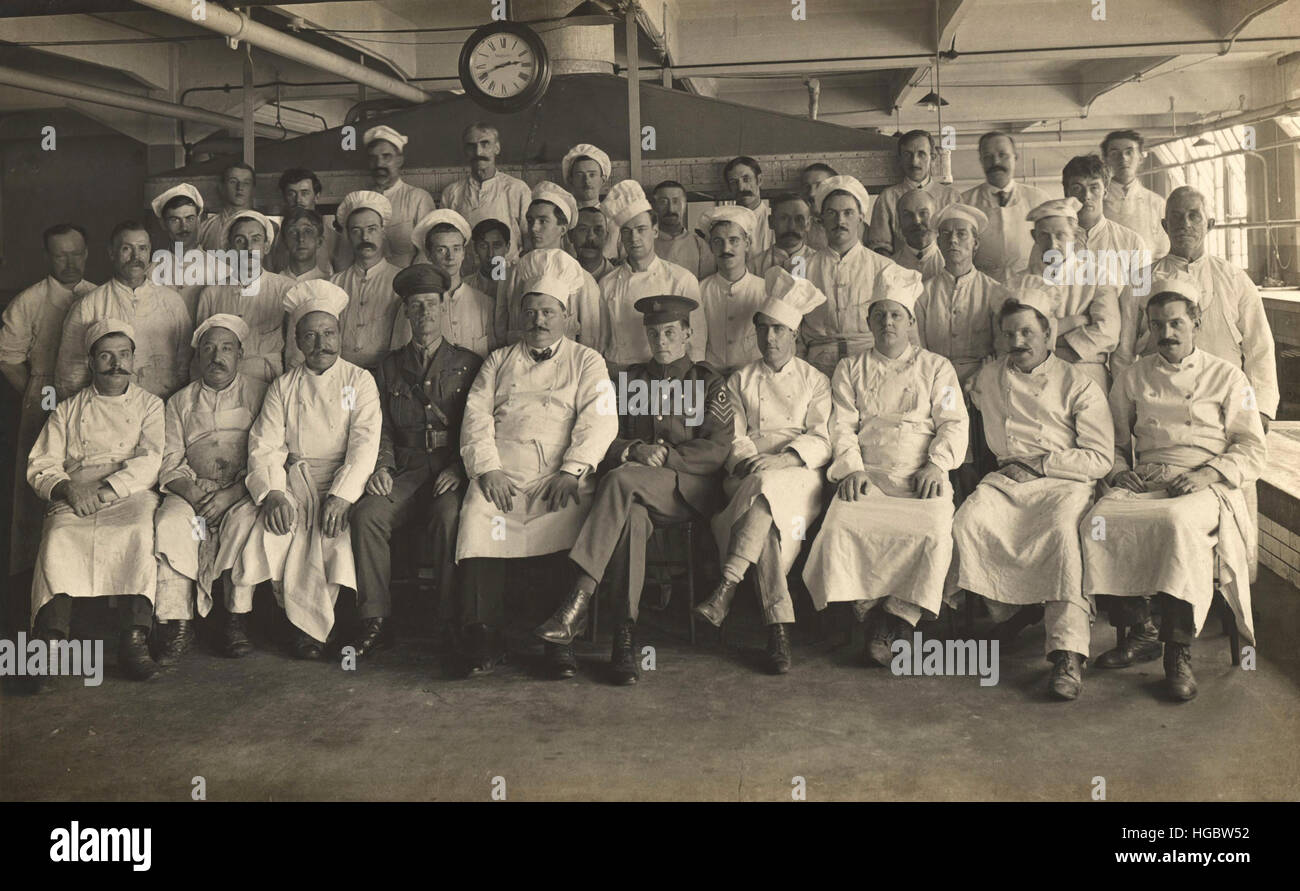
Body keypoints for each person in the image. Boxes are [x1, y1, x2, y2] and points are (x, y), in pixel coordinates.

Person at [1081, 277, 1265, 701]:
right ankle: (1142, 628)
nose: (1167, 334)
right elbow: (1112, 441)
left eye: (1177, 323)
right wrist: (1122, 469)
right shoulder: (1132, 377)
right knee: (1098, 521)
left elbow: (1253, 448)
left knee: (1175, 522)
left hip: (1205, 481)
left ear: (1196, 322)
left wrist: (1209, 474)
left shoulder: (1228, 376)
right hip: (1148, 476)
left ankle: (1177, 651)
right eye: (1158, 325)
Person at [536, 295, 733, 686]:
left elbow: (717, 449)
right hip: (635, 494)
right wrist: (633, 449)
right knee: (631, 519)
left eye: (671, 333)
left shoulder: (707, 382)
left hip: (687, 492)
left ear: (688, 334)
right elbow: (604, 437)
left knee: (620, 480)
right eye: (655, 333)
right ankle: (624, 642)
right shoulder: (630, 382)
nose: (661, 341)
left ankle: (578, 598)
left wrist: (666, 457)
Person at [455, 253, 618, 677]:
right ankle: (482, 634)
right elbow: (475, 417)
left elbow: (600, 420)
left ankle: (559, 643)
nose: (539, 321)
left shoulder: (588, 361)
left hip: (558, 473)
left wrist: (573, 470)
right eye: (530, 313)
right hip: (503, 473)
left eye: (548, 312)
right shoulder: (498, 360)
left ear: (566, 315)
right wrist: (487, 469)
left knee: (570, 515)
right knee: (477, 514)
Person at [953, 291, 1113, 701]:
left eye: (1027, 331)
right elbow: (959, 406)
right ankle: (1016, 607)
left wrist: (1042, 464)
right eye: (1009, 334)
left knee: (1062, 536)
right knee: (968, 522)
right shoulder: (988, 378)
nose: (1017, 342)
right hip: (1007, 481)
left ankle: (1067, 651)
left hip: (1064, 482)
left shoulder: (1079, 383)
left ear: (1048, 333)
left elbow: (1099, 458)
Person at [803, 266, 967, 665]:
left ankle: (897, 616)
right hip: (869, 475)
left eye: (896, 314)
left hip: (920, 477)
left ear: (911, 321)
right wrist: (853, 469)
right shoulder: (850, 368)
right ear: (868, 322)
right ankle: (870, 608)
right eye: (879, 314)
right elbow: (841, 426)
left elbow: (953, 423)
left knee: (933, 533)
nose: (887, 322)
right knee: (840, 527)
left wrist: (937, 465)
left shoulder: (936, 367)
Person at [231, 280, 382, 659]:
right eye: (310, 336)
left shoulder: (358, 381)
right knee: (276, 530)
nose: (321, 344)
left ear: (340, 333)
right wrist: (274, 493)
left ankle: (321, 628)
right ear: (298, 341)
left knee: (334, 537)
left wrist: (342, 496)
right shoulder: (284, 386)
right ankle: (293, 625)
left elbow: (364, 444)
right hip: (294, 479)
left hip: (341, 478)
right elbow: (265, 444)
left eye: (328, 334)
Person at [695, 270, 832, 673]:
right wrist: (753, 459)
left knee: (767, 489)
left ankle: (727, 586)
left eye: (778, 331)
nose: (769, 339)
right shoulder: (739, 380)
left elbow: (824, 438)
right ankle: (778, 627)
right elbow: (731, 435)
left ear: (794, 334)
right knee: (766, 504)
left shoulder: (816, 381)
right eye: (763, 330)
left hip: (800, 474)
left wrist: (786, 458)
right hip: (748, 468)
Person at [349, 265, 483, 657]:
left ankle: (448, 620)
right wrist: (383, 467)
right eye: (415, 306)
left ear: (443, 308)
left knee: (449, 518)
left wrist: (460, 468)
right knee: (367, 515)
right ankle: (376, 619)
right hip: (405, 469)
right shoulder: (387, 368)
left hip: (449, 468)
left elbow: (477, 427)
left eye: (430, 304)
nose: (424, 313)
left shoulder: (469, 364)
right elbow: (380, 427)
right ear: (406, 313)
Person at [27, 320, 165, 682]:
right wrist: (68, 489)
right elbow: (41, 462)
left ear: (134, 359)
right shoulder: (68, 409)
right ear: (91, 362)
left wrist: (107, 491)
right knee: (58, 537)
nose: (115, 363)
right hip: (76, 490)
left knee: (139, 532)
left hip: (128, 492)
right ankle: (51, 642)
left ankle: (134, 641)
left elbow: (150, 461)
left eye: (123, 355)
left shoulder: (150, 406)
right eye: (106, 355)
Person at [153, 315, 268, 662]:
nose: (217, 357)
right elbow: (169, 459)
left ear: (240, 354)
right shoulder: (180, 402)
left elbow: (269, 451)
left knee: (245, 523)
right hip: (192, 494)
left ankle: (235, 619)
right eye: (208, 348)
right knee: (172, 524)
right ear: (198, 356)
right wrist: (194, 494)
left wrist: (230, 495)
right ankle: (177, 620)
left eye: (226, 348)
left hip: (241, 489)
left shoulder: (260, 392)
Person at [1119, 187, 1278, 428]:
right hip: (1160, 405)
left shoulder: (1234, 278)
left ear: (1210, 224)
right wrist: (1126, 407)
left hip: (1224, 399)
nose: (1185, 224)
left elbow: (1259, 346)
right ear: (1165, 225)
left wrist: (1261, 407)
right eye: (1176, 216)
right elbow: (1123, 352)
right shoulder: (1140, 281)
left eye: (1194, 215)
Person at [0, 223, 97, 579]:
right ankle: (32, 571)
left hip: (92, 396)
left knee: (85, 477)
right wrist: (40, 394)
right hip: (46, 394)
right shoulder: (29, 300)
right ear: (48, 257)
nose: (70, 262)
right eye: (61, 255)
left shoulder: (98, 295)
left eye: (76, 253)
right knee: (41, 480)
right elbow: (7, 357)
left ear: (87, 253)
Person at [914, 203, 1010, 498]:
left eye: (961, 234)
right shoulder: (922, 292)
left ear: (975, 243)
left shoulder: (995, 292)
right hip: (935, 387)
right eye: (946, 235)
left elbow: (1003, 352)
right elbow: (917, 350)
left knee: (980, 465)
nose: (953, 240)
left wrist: (980, 378)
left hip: (982, 387)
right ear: (938, 242)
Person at [55, 220, 193, 401]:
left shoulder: (172, 302)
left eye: (142, 248)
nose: (136, 256)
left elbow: (186, 366)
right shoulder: (89, 305)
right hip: (107, 413)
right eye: (127, 249)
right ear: (112, 253)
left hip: (163, 409)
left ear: (150, 252)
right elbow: (69, 376)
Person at [1008, 197, 1122, 393]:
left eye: (1060, 235)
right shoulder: (1018, 284)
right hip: (1032, 378)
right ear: (1034, 236)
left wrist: (1043, 344)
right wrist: (1075, 321)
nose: (1052, 243)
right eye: (1044, 235)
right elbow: (1009, 337)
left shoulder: (1098, 276)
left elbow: (1107, 332)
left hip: (1086, 374)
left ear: (1075, 236)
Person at [598, 180, 705, 368]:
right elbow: (601, 338)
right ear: (621, 237)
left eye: (641, 230)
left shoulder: (681, 279)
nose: (634, 238)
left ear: (655, 231)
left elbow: (696, 341)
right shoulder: (608, 283)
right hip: (620, 373)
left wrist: (691, 379)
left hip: (666, 375)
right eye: (627, 232)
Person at [802, 175, 899, 376]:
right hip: (817, 367)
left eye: (848, 213)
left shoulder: (884, 267)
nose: (840, 221)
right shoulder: (802, 268)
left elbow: (900, 330)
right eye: (832, 213)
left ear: (861, 217)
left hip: (870, 364)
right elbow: (792, 331)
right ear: (821, 219)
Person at [495, 183, 601, 347]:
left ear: (563, 229)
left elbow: (591, 339)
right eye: (530, 221)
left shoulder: (581, 280)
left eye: (543, 221)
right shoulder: (511, 274)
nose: (534, 228)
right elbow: (501, 330)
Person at [193, 209, 294, 383]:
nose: (249, 248)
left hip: (269, 380)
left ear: (266, 246)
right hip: (222, 382)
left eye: (256, 239)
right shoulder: (211, 293)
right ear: (229, 248)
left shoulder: (286, 289)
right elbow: (199, 353)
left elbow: (294, 352)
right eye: (240, 240)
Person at [320, 190, 405, 370]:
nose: (365, 238)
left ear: (383, 232)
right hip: (343, 374)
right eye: (356, 231)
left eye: (372, 229)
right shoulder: (334, 284)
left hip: (387, 374)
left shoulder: (401, 281)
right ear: (348, 236)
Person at [962, 131, 1052, 281]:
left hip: (1029, 287)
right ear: (981, 161)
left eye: (1003, 155)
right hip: (982, 289)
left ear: (1016, 157)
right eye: (988, 157)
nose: (996, 162)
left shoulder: (1039, 199)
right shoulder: (965, 202)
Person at [411, 209, 496, 358]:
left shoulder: (486, 303)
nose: (450, 257)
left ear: (464, 253)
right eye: (441, 250)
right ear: (429, 255)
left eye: (456, 249)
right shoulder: (417, 305)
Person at [441, 123, 531, 259]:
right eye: (471, 146)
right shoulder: (451, 193)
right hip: (466, 271)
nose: (478, 152)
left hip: (504, 270)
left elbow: (528, 238)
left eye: (485, 144)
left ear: (497, 148)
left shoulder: (517, 189)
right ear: (465, 151)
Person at [868, 130, 960, 258]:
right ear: (900, 159)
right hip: (900, 272)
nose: (914, 162)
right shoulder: (887, 198)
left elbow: (960, 243)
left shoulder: (951, 198)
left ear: (932, 158)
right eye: (907, 154)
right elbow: (880, 248)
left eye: (921, 154)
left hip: (942, 272)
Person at [698, 205, 767, 373]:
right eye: (718, 241)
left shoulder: (765, 290)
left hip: (753, 377)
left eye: (733, 240)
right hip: (711, 377)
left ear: (747, 243)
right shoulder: (699, 290)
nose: (726, 249)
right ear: (711, 247)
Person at [362, 125, 435, 269]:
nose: (379, 164)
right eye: (373, 158)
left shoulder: (418, 199)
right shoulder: (361, 201)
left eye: (386, 157)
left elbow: (427, 253)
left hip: (406, 283)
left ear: (400, 160)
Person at [1101, 129, 1169, 258]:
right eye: (1115, 153)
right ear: (1105, 159)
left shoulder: (1157, 203)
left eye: (1129, 152)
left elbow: (1163, 251)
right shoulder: (1096, 202)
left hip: (1145, 275)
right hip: (1105, 274)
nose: (1123, 158)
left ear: (1141, 157)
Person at [264, 168, 339, 276]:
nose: (298, 200)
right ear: (285, 198)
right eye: (291, 194)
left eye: (304, 193)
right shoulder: (274, 239)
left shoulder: (335, 239)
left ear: (316, 197)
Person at [149, 182, 207, 320]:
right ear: (163, 224)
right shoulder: (150, 273)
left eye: (190, 218)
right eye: (175, 220)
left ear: (199, 221)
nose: (184, 226)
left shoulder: (220, 271)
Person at [562, 143, 619, 260]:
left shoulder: (615, 220)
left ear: (603, 180)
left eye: (592, 175)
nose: (586, 180)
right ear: (571, 179)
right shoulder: (562, 218)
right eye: (579, 175)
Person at [652, 179, 714, 279]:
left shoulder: (700, 245)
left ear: (684, 205)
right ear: (654, 206)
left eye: (676, 201)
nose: (670, 209)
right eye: (663, 202)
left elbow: (706, 286)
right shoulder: (645, 243)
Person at [750, 193, 818, 277]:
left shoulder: (819, 264)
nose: (791, 227)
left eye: (799, 219)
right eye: (783, 218)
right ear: (771, 222)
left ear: (808, 224)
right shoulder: (754, 268)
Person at [199, 162, 256, 250]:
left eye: (246, 183)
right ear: (222, 187)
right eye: (233, 181)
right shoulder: (204, 229)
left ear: (253, 189)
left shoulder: (269, 228)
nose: (240, 187)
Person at [723, 156, 774, 257]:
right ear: (729, 188)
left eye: (746, 179)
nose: (741, 188)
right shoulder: (724, 223)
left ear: (759, 180)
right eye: (734, 182)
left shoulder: (775, 219)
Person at [894, 189, 945, 281]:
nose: (917, 221)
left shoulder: (948, 263)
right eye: (908, 215)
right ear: (899, 221)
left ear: (936, 217)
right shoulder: (891, 267)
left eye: (923, 213)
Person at [276, 206, 332, 283]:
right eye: (293, 232)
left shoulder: (329, 283)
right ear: (285, 242)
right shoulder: (275, 283)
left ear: (319, 241)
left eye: (308, 231)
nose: (301, 238)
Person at [571, 206, 619, 282]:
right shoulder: (561, 276)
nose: (590, 237)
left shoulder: (618, 278)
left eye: (598, 230)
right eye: (583, 229)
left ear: (606, 237)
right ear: (570, 236)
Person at [799, 162, 836, 251]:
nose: (812, 193)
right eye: (807, 186)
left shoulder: (857, 227)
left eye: (819, 185)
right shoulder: (797, 229)